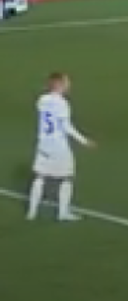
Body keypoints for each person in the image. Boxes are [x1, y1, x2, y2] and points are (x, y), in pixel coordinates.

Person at [27, 72, 95, 222]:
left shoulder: (42, 100)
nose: (69, 85)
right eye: (66, 83)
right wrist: (84, 141)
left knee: (39, 177)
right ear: (59, 85)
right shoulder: (63, 104)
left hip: (43, 144)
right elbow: (66, 127)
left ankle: (31, 212)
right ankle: (63, 213)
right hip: (59, 146)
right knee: (67, 178)